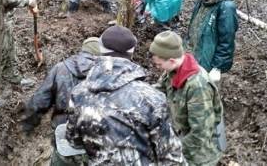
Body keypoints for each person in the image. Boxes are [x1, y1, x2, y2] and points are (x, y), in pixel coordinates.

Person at [63, 25, 186, 165]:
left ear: (101, 50)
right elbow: (171, 157)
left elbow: (73, 140)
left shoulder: (79, 93)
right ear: (132, 52)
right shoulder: (152, 98)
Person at [20, 37, 101, 166]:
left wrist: (28, 124)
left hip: (65, 135)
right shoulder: (108, 74)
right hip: (96, 140)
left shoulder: (60, 68)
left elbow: (40, 100)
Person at [150, 30, 225, 166]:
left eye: (159, 64)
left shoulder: (197, 86)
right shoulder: (172, 71)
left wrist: (171, 150)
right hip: (181, 136)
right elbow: (158, 91)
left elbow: (200, 133)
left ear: (172, 60)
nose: (157, 67)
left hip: (198, 155)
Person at [185, 0, 238, 84]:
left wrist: (217, 67)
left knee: (207, 90)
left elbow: (227, 40)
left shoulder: (226, 7)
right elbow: (193, 25)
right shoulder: (202, 1)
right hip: (195, 53)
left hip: (209, 60)